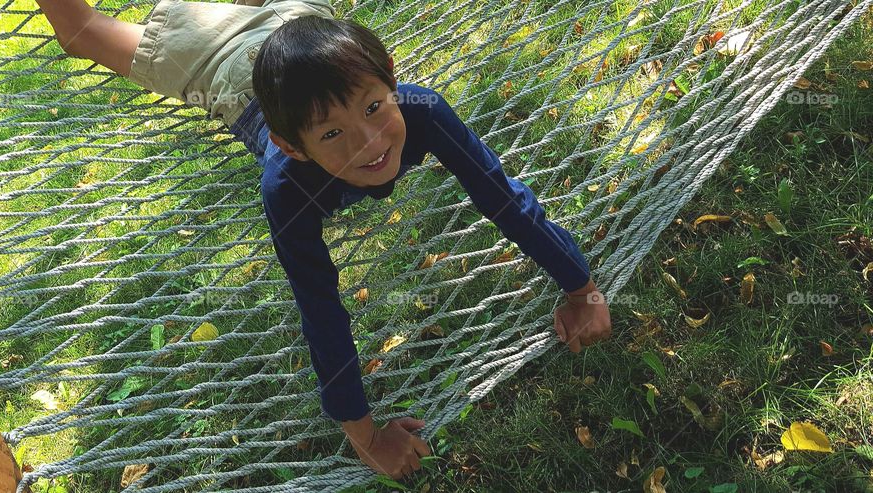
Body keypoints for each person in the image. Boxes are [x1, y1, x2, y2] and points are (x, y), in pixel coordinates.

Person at [33, 0, 613, 480]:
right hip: (213, 58)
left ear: (391, 78)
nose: (368, 143)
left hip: (298, 21)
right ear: (291, 146)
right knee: (82, 33)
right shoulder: (288, 188)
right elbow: (321, 307)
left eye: (375, 107)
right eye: (333, 134)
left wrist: (582, 288)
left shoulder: (420, 109)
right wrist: (365, 438)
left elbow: (502, 197)